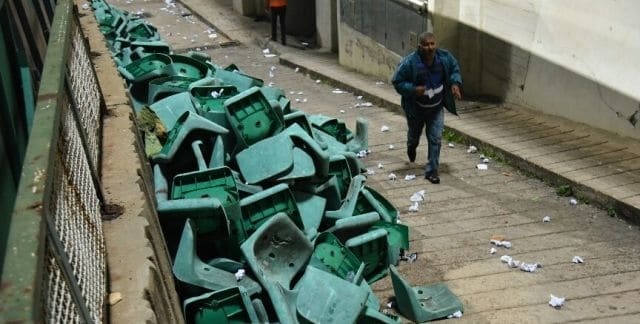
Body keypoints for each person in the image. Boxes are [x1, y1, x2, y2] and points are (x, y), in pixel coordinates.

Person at [391, 32, 462, 184]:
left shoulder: (444, 58)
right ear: (420, 47)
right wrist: (413, 89)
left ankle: (432, 171)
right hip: (416, 109)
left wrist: (455, 83)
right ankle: (411, 147)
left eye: (432, 44)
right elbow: (397, 81)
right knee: (414, 136)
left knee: (435, 138)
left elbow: (454, 69)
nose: (430, 48)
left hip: (436, 108)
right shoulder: (410, 63)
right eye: (426, 45)